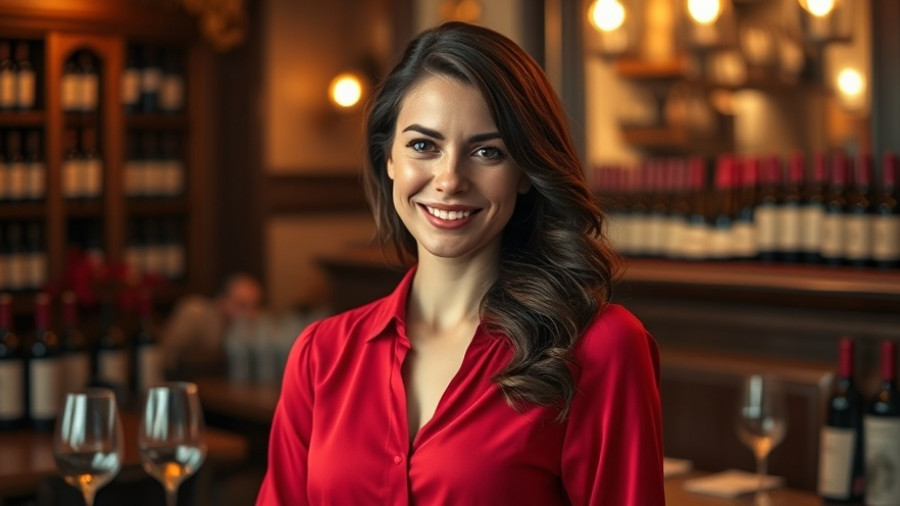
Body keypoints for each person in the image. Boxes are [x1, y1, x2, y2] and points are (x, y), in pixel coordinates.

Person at [257, 21, 664, 505]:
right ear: (388, 158)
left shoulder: (602, 348)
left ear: (525, 174)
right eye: (423, 146)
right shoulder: (320, 356)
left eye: (487, 151)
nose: (449, 179)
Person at [160, 272, 262, 378]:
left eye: (254, 306)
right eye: (242, 305)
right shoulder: (195, 314)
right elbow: (166, 358)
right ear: (222, 300)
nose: (250, 314)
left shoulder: (252, 330)